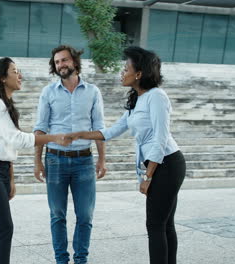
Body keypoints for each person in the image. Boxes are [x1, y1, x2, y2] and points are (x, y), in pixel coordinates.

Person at [69, 46, 186, 264]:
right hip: (160, 164)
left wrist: (148, 177)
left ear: (139, 74)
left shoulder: (157, 96)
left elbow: (161, 138)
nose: (122, 73)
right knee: (164, 224)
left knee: (155, 225)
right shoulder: (136, 101)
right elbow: (112, 130)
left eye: (126, 68)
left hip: (167, 164)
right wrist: (80, 134)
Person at [0, 57, 71, 264]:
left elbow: (8, 146)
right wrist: (52, 137)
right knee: (3, 228)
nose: (20, 75)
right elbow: (16, 139)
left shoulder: (5, 105)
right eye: (15, 71)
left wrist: (11, 178)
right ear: (3, 78)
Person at [33, 45, 107, 264]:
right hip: (55, 160)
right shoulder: (48, 92)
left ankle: (81, 260)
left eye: (64, 60)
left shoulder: (93, 91)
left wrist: (102, 159)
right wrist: (37, 161)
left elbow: (99, 127)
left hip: (84, 160)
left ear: (74, 62)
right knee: (57, 214)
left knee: (85, 215)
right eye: (56, 62)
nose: (60, 65)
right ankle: (61, 261)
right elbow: (40, 129)